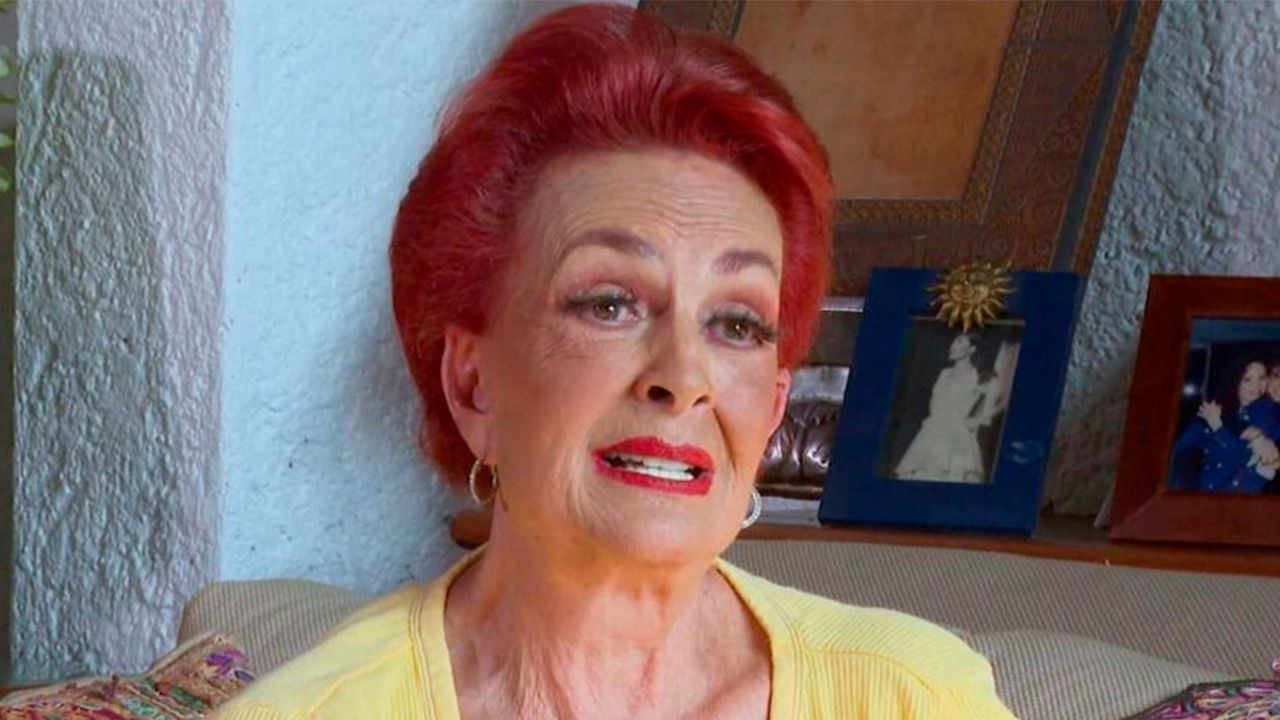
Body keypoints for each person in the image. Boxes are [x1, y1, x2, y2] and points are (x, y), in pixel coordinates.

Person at [213, 5, 1015, 719]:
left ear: (772, 407)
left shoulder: (916, 698)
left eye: (736, 322)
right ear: (472, 385)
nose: (683, 377)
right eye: (609, 305)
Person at [894, 333, 1013, 484]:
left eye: (959, 342)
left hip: (957, 437)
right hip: (931, 433)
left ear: (971, 349)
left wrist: (975, 421)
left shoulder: (979, 377)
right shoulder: (944, 373)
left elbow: (1000, 403)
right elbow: (935, 403)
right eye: (953, 342)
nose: (952, 346)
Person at [1173, 359, 1279, 493]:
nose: (1256, 385)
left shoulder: (1268, 414)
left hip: (1234, 499)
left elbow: (1242, 458)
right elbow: (1179, 447)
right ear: (1236, 381)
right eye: (1247, 379)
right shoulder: (1221, 413)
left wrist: (1218, 428)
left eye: (1261, 378)